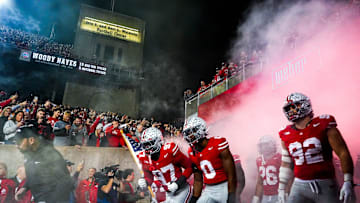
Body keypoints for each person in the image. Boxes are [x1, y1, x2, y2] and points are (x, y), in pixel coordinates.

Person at [278, 92, 355, 203]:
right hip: (299, 185)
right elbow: (286, 163)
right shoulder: (285, 133)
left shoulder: (323, 124)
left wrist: (348, 181)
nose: (291, 111)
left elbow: (343, 153)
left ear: (305, 105)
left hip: (325, 184)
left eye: (294, 106)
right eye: (288, 108)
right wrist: (281, 188)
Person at [182, 116, 237, 203]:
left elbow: (231, 174)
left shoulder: (218, 143)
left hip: (224, 187)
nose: (189, 135)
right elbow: (198, 179)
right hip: (208, 190)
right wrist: (193, 199)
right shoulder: (192, 152)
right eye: (187, 133)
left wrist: (231, 195)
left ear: (200, 129)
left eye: (191, 132)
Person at [14, 126, 74, 203]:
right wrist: (25, 188)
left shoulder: (50, 154)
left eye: (19, 142)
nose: (17, 146)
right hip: (39, 199)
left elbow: (63, 180)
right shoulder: (29, 155)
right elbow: (34, 175)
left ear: (31, 140)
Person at [137, 127, 193, 202]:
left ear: (158, 140)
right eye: (145, 145)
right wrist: (145, 182)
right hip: (168, 194)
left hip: (182, 190)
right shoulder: (144, 158)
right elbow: (149, 178)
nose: (147, 148)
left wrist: (178, 183)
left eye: (150, 144)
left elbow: (190, 167)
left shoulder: (169, 150)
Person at [252, 136, 283, 203]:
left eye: (267, 144)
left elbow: (288, 178)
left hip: (278, 194)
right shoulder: (259, 160)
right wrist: (256, 197)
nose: (265, 147)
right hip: (265, 196)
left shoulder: (279, 158)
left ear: (273, 145)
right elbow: (260, 181)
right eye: (263, 145)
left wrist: (285, 192)